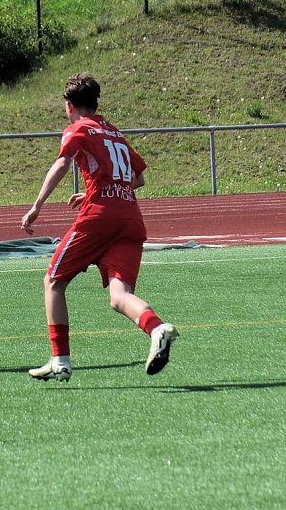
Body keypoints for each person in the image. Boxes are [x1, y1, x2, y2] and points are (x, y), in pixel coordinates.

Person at [21, 74, 177, 382]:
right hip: (131, 217)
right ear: (96, 103)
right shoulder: (115, 133)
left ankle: (60, 360)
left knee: (53, 281)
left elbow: (62, 163)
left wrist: (37, 205)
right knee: (120, 296)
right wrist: (95, 190)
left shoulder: (78, 128)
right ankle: (156, 328)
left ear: (69, 106)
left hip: (100, 217)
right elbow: (139, 178)